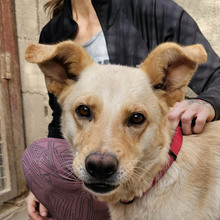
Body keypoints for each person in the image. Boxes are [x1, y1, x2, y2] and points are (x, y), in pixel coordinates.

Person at [23, 0, 220, 219]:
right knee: (38, 158)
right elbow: (61, 115)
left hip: (157, 171)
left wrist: (208, 101)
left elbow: (216, 74)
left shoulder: (152, 8)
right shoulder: (55, 30)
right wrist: (42, 182)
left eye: (135, 118)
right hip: (101, 179)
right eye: (85, 111)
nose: (102, 157)